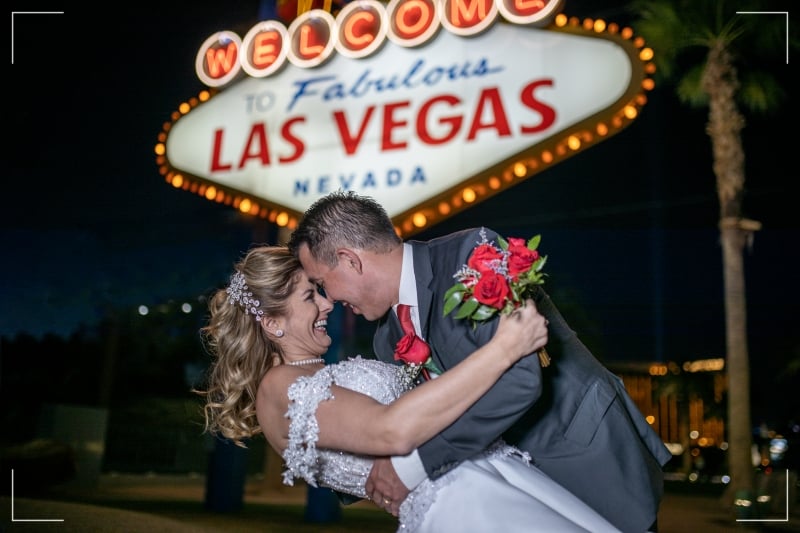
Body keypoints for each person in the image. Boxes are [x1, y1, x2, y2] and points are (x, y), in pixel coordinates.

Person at [288, 190, 673, 533]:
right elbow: (413, 421)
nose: (330, 298)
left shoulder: (475, 256)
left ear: (350, 260)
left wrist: (414, 467)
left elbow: (520, 379)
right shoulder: (388, 338)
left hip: (583, 455)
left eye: (323, 282)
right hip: (510, 490)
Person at [199, 245, 623, 532]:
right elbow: (391, 431)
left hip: (483, 474)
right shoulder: (279, 388)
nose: (327, 304)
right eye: (311, 297)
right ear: (273, 323)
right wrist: (505, 348)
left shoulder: (309, 377)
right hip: (464, 501)